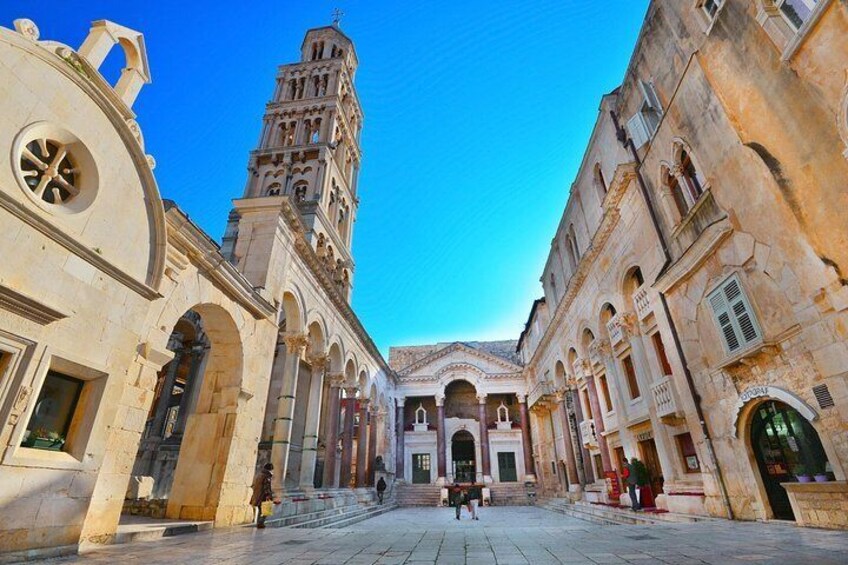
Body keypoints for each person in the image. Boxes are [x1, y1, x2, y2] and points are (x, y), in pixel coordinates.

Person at [251, 462, 275, 528]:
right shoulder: (267, 476)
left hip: (257, 495)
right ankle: (260, 523)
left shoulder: (259, 475)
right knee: (265, 511)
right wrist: (268, 496)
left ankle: (259, 522)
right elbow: (266, 487)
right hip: (263, 496)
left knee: (260, 510)